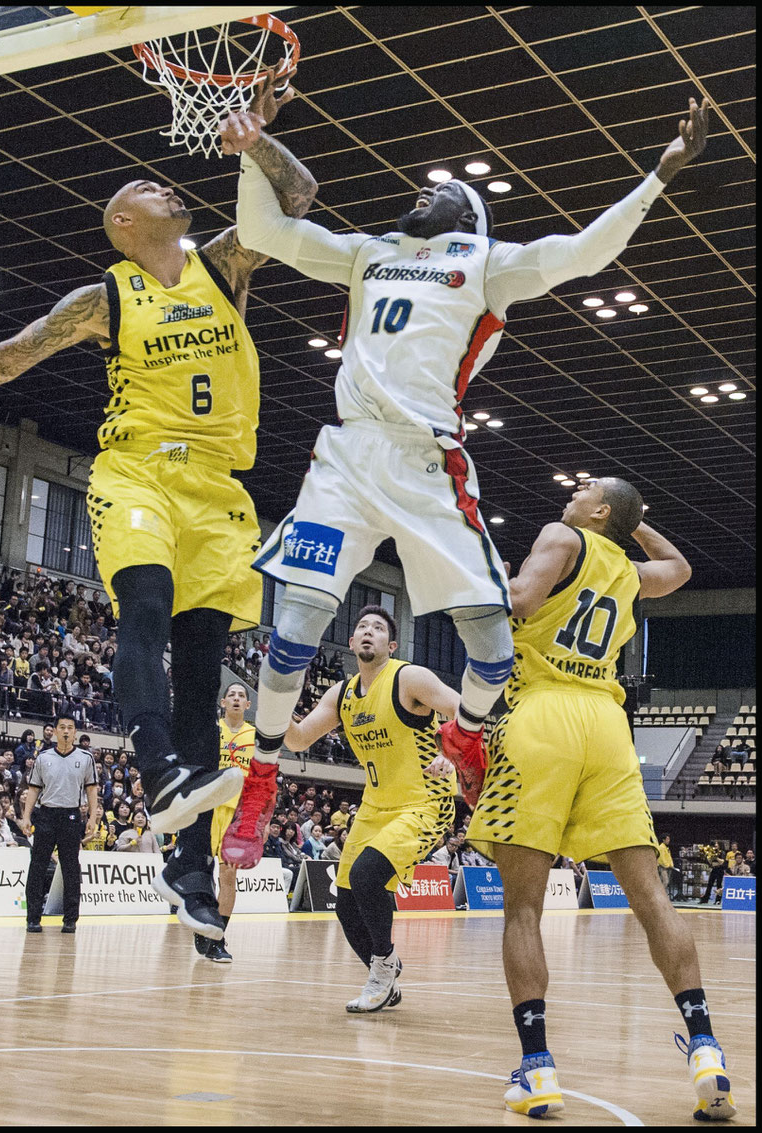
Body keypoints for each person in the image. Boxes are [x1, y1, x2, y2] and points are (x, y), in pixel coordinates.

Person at [0, 69, 317, 943]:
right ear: (124, 224)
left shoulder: (225, 263)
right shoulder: (106, 295)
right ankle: (158, 777)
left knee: (200, 669)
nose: (163, 184)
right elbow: (10, 354)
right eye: (144, 187)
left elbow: (298, 196)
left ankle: (185, 867)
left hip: (221, 493)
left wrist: (255, 138)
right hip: (138, 473)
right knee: (144, 610)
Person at [217, 95, 712, 868]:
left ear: (468, 217)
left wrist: (658, 176)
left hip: (427, 462)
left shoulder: (484, 263)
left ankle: (465, 736)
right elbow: (264, 232)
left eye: (441, 188)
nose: (424, 189)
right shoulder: (368, 251)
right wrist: (251, 151)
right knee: (294, 631)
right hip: (347, 458)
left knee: (491, 651)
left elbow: (583, 252)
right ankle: (264, 771)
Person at [463, 477, 735, 1121]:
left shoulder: (561, 536)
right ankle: (705, 1050)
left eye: (587, 489)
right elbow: (680, 568)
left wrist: (483, 580)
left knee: (523, 911)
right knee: (652, 898)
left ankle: (537, 1070)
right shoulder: (625, 570)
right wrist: (631, 525)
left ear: (598, 511)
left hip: (543, 718)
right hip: (609, 728)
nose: (573, 491)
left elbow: (523, 603)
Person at [282, 605, 459, 1013]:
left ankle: (383, 967)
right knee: (344, 904)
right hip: (376, 806)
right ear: (350, 642)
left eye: (378, 629)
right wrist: (278, 699)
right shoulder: (341, 694)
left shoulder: (409, 677)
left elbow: (465, 711)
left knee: (367, 876)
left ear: (391, 644)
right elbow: (297, 741)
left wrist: (453, 754)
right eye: (361, 627)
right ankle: (385, 977)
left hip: (426, 801)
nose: (368, 632)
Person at [192, 682, 255, 963]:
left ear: (248, 705)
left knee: (228, 877)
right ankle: (202, 921)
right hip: (205, 809)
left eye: (242, 695)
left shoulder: (255, 736)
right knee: (202, 874)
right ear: (223, 702)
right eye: (232, 695)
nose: (237, 699)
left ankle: (217, 938)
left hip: (237, 814)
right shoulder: (210, 731)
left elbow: (261, 780)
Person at [19, 714, 98, 933]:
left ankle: (70, 919)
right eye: (61, 727)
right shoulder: (43, 758)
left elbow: (92, 789)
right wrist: (26, 817)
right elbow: (33, 788)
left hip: (72, 816)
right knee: (37, 866)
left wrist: (92, 818)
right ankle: (32, 918)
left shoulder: (85, 758)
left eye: (70, 728)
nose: (65, 731)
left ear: (75, 732)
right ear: (54, 731)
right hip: (46, 814)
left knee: (71, 868)